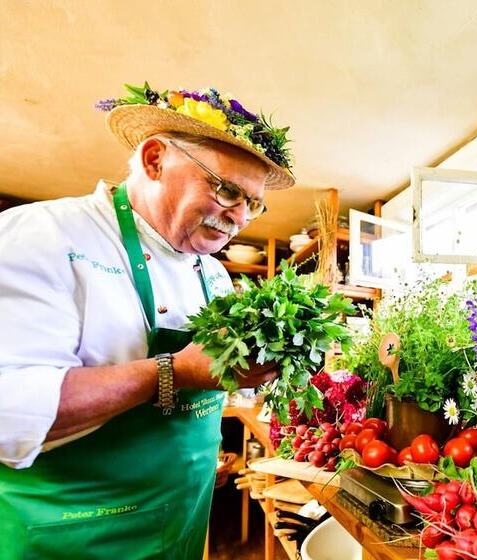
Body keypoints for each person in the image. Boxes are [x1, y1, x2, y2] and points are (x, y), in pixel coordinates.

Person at [0, 83, 295, 559]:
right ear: (156, 160)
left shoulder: (215, 275)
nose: (241, 217)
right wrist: (174, 372)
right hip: (69, 534)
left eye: (253, 203)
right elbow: (7, 412)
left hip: (180, 521)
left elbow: (214, 378)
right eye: (226, 190)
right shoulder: (44, 236)